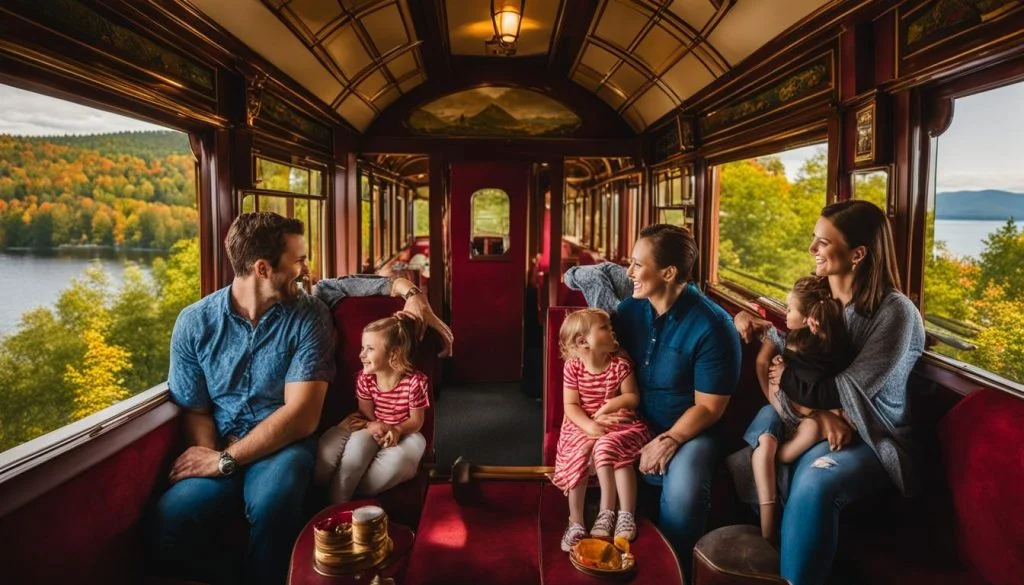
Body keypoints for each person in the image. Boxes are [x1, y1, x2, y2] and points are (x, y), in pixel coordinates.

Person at [732, 200, 925, 585]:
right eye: (813, 240)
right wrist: (746, 316)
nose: (812, 250)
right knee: (758, 438)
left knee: (814, 481)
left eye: (822, 242)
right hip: (822, 417)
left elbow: (844, 391)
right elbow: (793, 339)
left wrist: (788, 380)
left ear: (857, 254)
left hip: (871, 433)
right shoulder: (819, 293)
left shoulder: (895, 314)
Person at [147, 212, 336, 585]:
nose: (305, 268)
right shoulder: (194, 323)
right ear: (263, 268)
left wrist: (225, 462)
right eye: (298, 259)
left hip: (283, 445)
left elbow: (301, 416)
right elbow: (197, 408)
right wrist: (212, 457)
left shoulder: (310, 317)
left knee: (274, 502)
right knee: (168, 519)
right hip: (221, 443)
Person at [564, 224, 742, 580]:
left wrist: (670, 439)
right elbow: (591, 353)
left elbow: (710, 408)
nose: (628, 272)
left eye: (636, 264)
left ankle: (671, 571)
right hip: (634, 419)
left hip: (691, 430)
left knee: (684, 488)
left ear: (669, 273)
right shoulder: (629, 311)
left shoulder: (713, 326)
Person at [745, 275, 854, 542]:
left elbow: (816, 386)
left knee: (781, 446)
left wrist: (784, 380)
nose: (786, 312)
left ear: (809, 319)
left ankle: (769, 528)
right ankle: (768, 528)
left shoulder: (815, 346)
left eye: (790, 309)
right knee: (769, 447)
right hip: (787, 406)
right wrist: (774, 396)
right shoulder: (791, 339)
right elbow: (763, 359)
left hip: (796, 407)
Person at [552, 308, 651, 552]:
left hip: (617, 419)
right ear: (582, 341)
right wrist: (589, 425)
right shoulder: (573, 368)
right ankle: (575, 521)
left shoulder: (620, 365)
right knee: (579, 453)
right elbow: (571, 405)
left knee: (611, 448)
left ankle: (619, 513)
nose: (612, 330)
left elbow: (632, 397)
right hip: (583, 421)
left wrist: (612, 404)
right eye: (604, 327)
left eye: (610, 326)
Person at [315, 314, 429, 504]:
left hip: (406, 431)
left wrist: (397, 429)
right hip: (371, 425)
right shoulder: (365, 379)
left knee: (400, 462)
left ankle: (345, 492)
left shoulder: (415, 383)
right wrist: (375, 426)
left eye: (370, 349)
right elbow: (365, 411)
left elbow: (416, 421)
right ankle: (338, 503)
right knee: (356, 451)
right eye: (362, 348)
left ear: (394, 354)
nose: (361, 355)